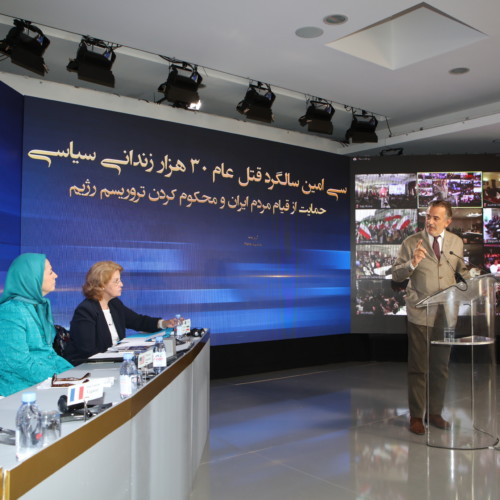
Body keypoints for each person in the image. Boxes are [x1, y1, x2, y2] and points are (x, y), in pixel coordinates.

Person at [391, 201, 469, 435]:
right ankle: (416, 416)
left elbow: (462, 273)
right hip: (420, 312)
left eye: (436, 218)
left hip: (446, 314)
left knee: (440, 366)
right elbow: (396, 274)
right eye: (428, 217)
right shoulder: (411, 242)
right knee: (418, 367)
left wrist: (473, 280)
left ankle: (434, 412)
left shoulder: (456, 242)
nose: (431, 222)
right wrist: (412, 263)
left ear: (448, 221)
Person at [67, 261, 178, 364]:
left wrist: (163, 323)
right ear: (101, 285)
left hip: (117, 362)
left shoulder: (114, 304)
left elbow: (138, 321)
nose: (121, 284)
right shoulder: (85, 310)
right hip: (95, 366)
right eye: (116, 281)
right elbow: (87, 351)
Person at [0, 253, 73, 397]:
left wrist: (75, 374)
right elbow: (19, 363)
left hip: (45, 383)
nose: (56, 275)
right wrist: (60, 381)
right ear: (33, 277)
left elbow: (48, 355)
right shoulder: (10, 311)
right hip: (21, 391)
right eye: (51, 272)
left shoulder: (38, 306)